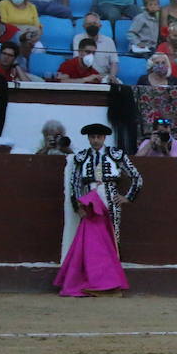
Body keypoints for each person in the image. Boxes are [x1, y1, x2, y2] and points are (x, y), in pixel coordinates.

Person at [61, 121, 140, 298]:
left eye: (98, 137)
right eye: (92, 137)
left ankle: (112, 285)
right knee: (91, 244)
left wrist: (128, 197)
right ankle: (94, 281)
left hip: (110, 199)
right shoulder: (81, 157)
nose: (95, 140)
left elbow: (136, 177)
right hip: (90, 203)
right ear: (88, 138)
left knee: (112, 241)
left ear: (104, 138)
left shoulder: (116, 154)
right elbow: (75, 184)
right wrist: (78, 206)